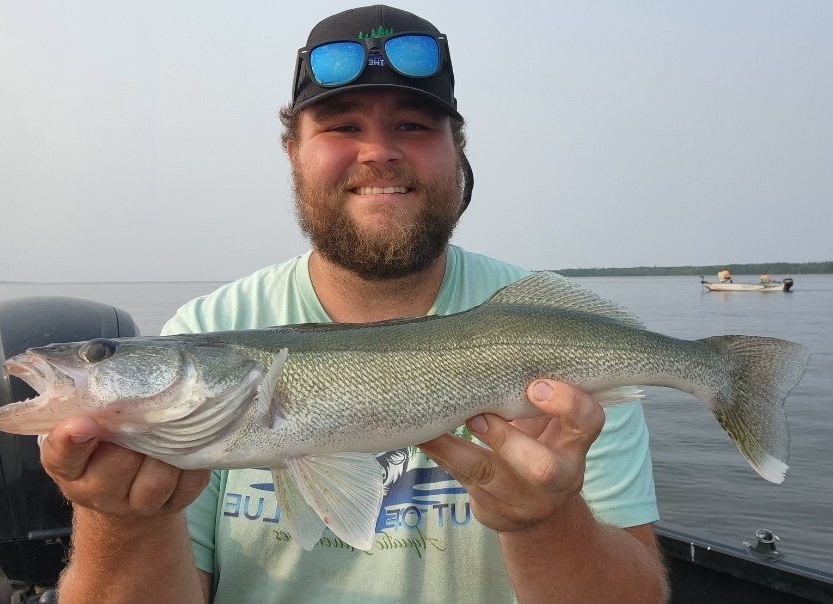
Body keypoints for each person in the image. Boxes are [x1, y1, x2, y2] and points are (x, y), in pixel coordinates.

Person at [38, 5, 667, 603]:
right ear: (293, 152)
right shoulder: (209, 328)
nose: (377, 151)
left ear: (458, 149)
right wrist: (122, 522)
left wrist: (547, 522)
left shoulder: (553, 337)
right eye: (341, 126)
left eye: (413, 126)